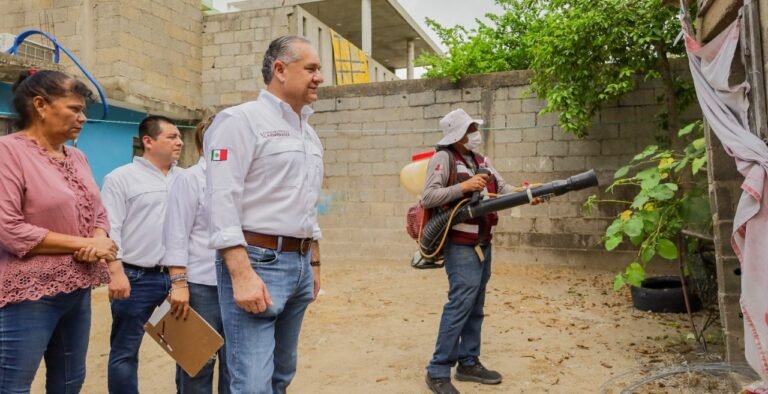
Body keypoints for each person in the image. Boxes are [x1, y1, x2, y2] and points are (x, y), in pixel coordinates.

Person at [203, 35, 323, 394]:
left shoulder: (308, 133)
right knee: (252, 384)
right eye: (312, 69)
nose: (319, 78)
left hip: (299, 263)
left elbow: (307, 202)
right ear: (280, 70)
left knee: (281, 375)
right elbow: (221, 197)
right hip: (258, 262)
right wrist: (241, 274)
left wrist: (314, 264)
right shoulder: (238, 121)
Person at [0, 70, 117, 392]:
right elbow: (9, 228)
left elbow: (98, 212)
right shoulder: (7, 152)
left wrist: (98, 239)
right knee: (12, 385)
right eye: (74, 109)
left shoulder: (77, 157)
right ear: (40, 105)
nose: (82, 118)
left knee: (69, 382)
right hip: (29, 293)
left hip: (77, 289)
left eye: (83, 111)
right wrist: (81, 243)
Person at [422, 108, 540, 394]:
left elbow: (503, 188)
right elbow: (428, 196)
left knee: (475, 306)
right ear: (457, 135)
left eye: (474, 127)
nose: (475, 133)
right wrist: (463, 187)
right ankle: (437, 371)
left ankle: (468, 362)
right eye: (470, 129)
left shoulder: (480, 160)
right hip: (460, 246)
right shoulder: (443, 158)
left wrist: (529, 194)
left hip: (483, 243)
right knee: (460, 305)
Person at [102, 115, 183, 394]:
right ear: (148, 141)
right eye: (171, 137)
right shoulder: (120, 179)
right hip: (136, 279)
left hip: (180, 280)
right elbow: (110, 229)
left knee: (191, 348)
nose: (179, 142)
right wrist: (116, 273)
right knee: (125, 351)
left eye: (179, 137)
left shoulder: (186, 178)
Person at [162, 113, 230, 393]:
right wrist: (179, 284)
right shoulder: (190, 179)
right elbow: (176, 234)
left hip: (237, 285)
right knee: (196, 365)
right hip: (202, 286)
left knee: (235, 366)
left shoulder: (240, 179)